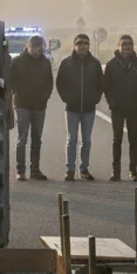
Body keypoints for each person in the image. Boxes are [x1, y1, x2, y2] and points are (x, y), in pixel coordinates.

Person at [56, 33, 104, 181]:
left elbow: (100, 84)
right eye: (79, 43)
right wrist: (66, 98)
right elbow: (60, 83)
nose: (82, 46)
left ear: (88, 46)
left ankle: (84, 169)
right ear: (74, 45)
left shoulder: (94, 63)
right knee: (71, 139)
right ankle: (70, 169)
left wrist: (95, 99)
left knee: (87, 140)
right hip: (72, 108)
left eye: (85, 43)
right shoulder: (66, 63)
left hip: (89, 109)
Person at [103, 34, 137, 181]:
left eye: (129, 44)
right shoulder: (111, 65)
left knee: (133, 140)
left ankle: (133, 171)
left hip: (134, 108)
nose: (126, 47)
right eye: (123, 44)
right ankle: (116, 172)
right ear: (118, 46)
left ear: (133, 47)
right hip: (117, 108)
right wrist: (111, 102)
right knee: (117, 140)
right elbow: (106, 86)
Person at [10, 35, 54, 181]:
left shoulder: (45, 62)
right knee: (22, 139)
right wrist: (12, 99)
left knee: (37, 139)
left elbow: (49, 81)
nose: (37, 50)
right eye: (34, 47)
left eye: (40, 47)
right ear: (27, 47)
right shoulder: (17, 62)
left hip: (40, 106)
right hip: (23, 105)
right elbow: (10, 82)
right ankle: (20, 170)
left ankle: (35, 170)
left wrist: (46, 96)